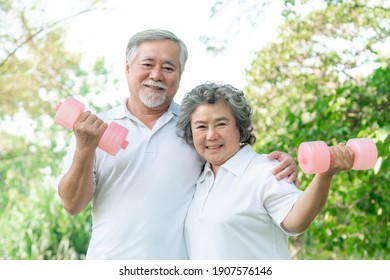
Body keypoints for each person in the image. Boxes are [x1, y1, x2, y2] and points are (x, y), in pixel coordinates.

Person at [56, 29, 299, 260]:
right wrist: (85, 147)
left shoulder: (196, 128)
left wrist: (276, 167)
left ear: (180, 76)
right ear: (128, 68)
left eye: (169, 67)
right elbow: (72, 204)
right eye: (148, 64)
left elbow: (238, 163)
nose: (157, 75)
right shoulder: (93, 129)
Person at [177, 82, 355, 259]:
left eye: (221, 124)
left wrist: (325, 174)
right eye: (201, 126)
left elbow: (296, 221)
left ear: (240, 127)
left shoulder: (266, 170)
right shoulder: (197, 177)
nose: (211, 135)